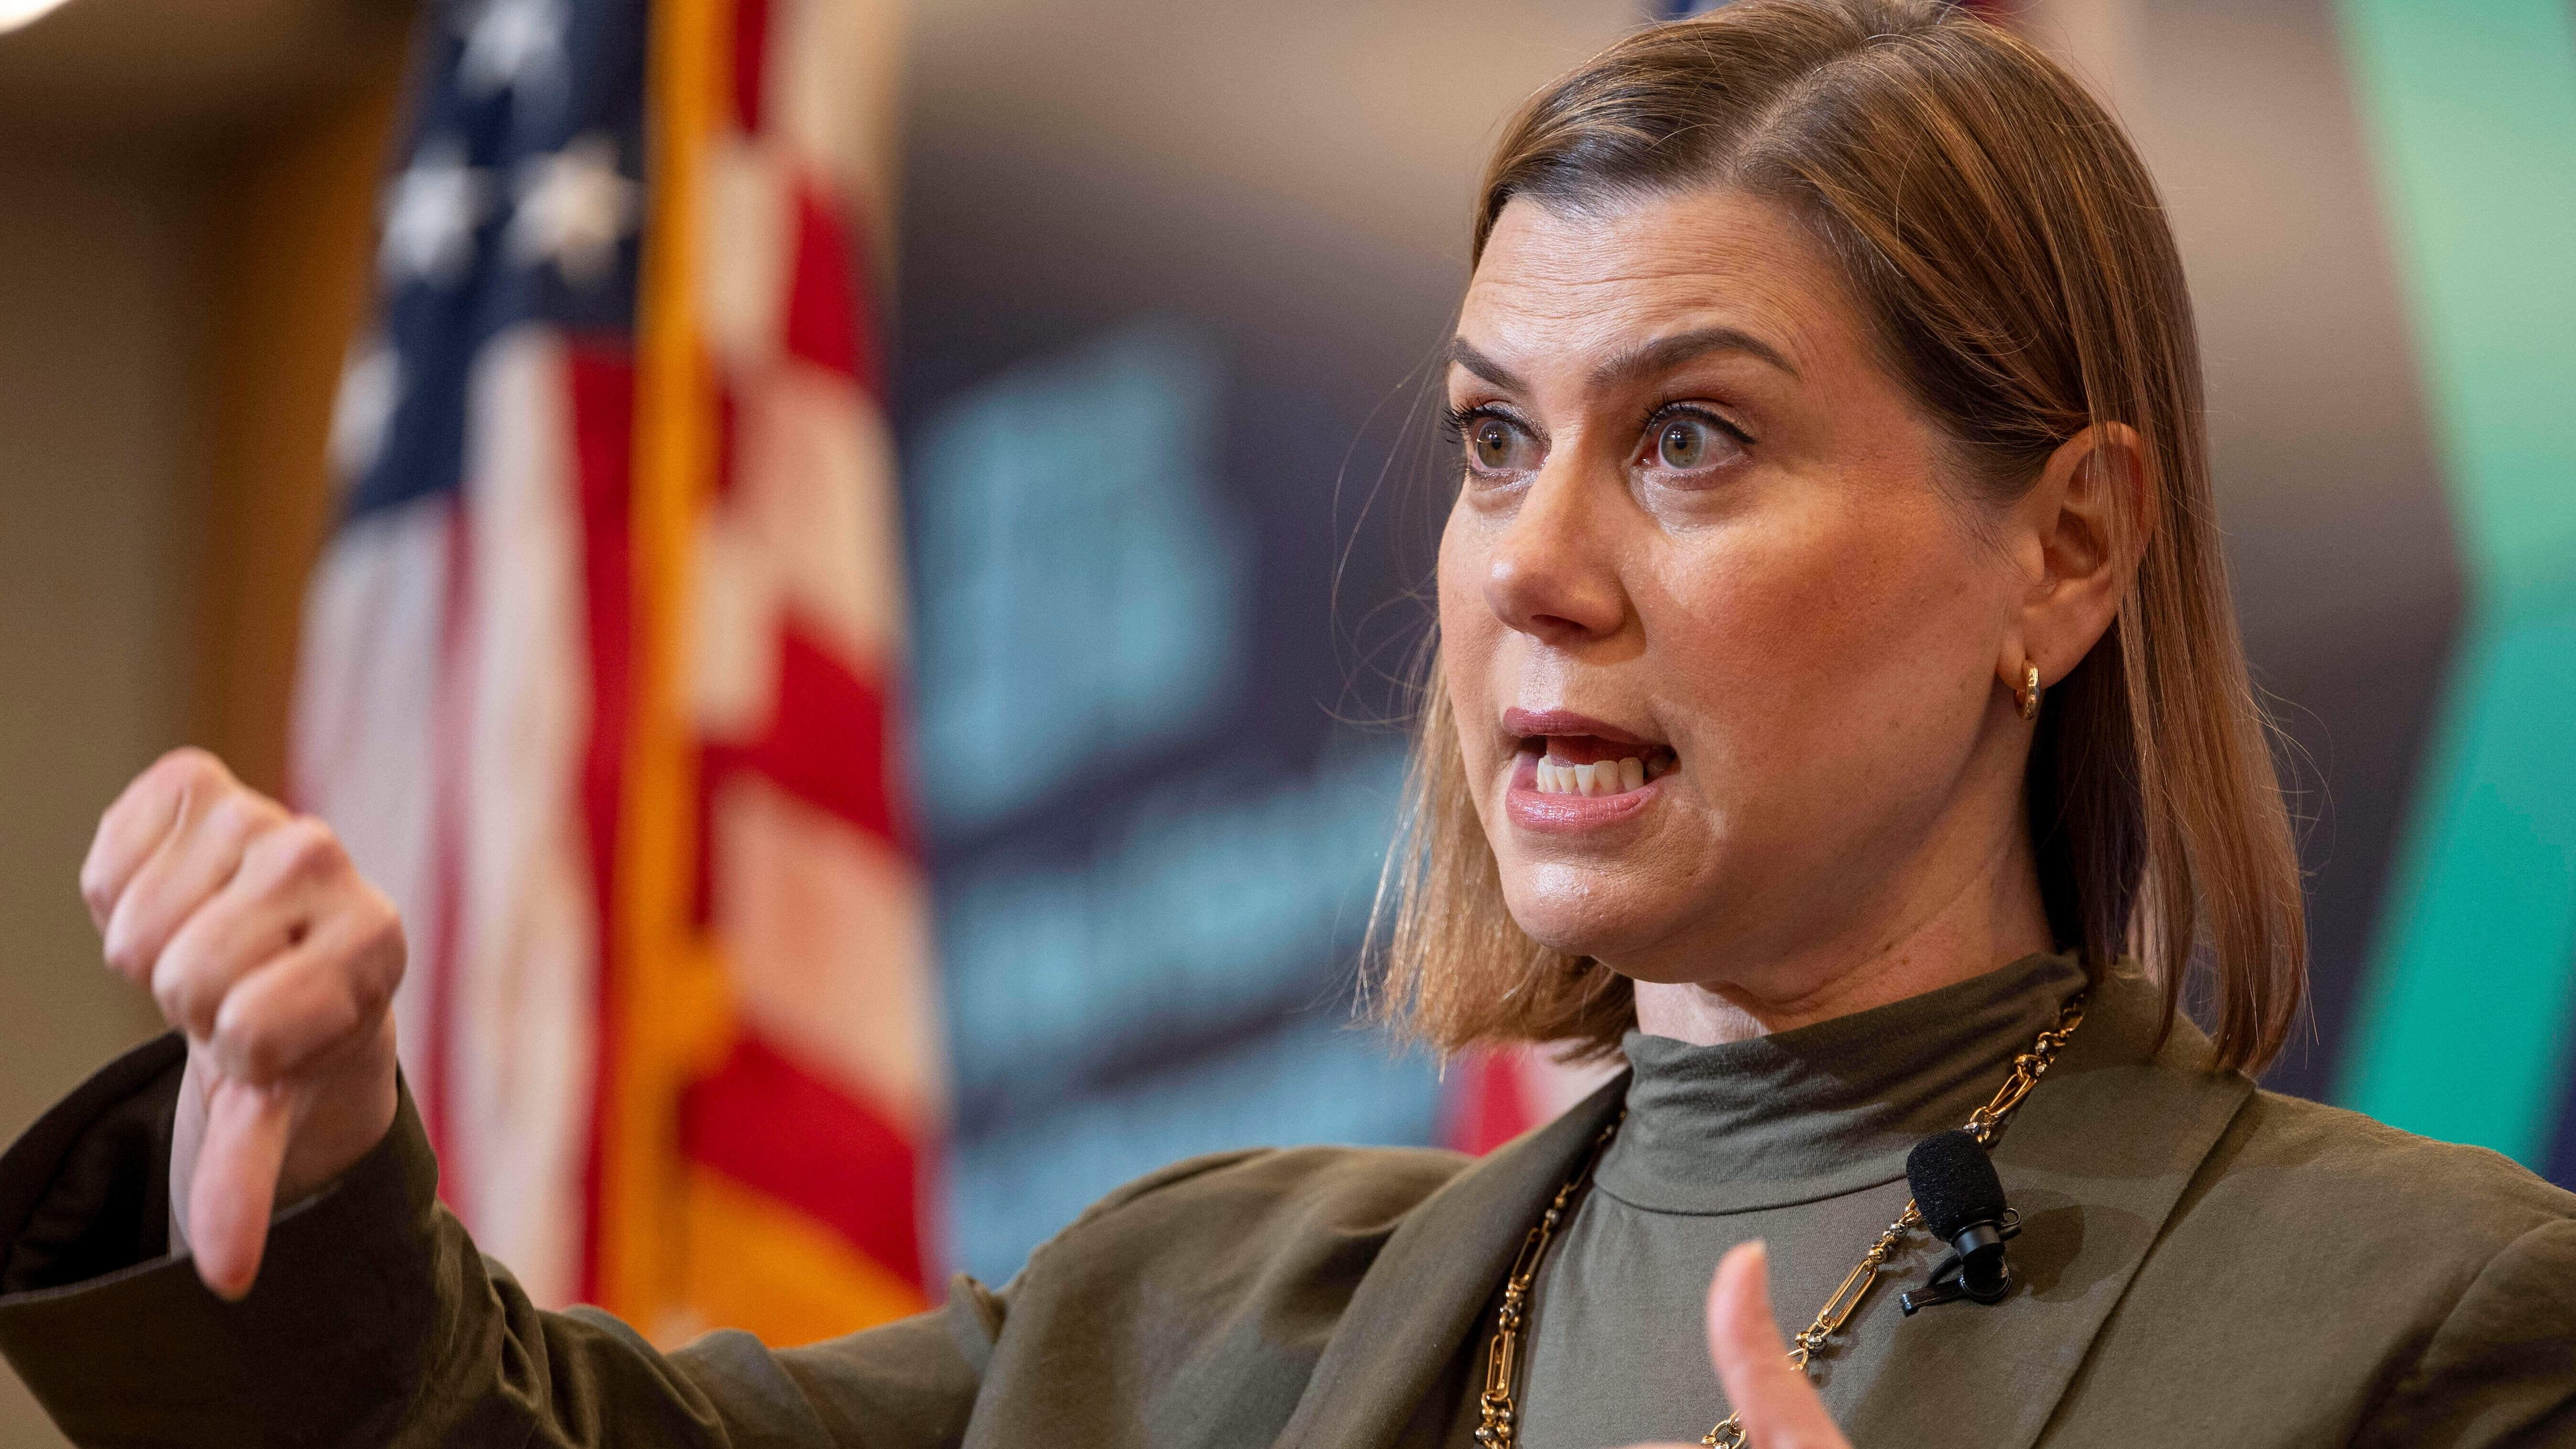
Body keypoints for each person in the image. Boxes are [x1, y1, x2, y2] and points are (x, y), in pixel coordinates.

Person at [4, 1, 2572, 1444]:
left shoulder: (2426, 1325)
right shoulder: (1182, 1331)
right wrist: (322, 1176)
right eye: (1492, 440)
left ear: (2070, 546)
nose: (1534, 563)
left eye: (1693, 437)